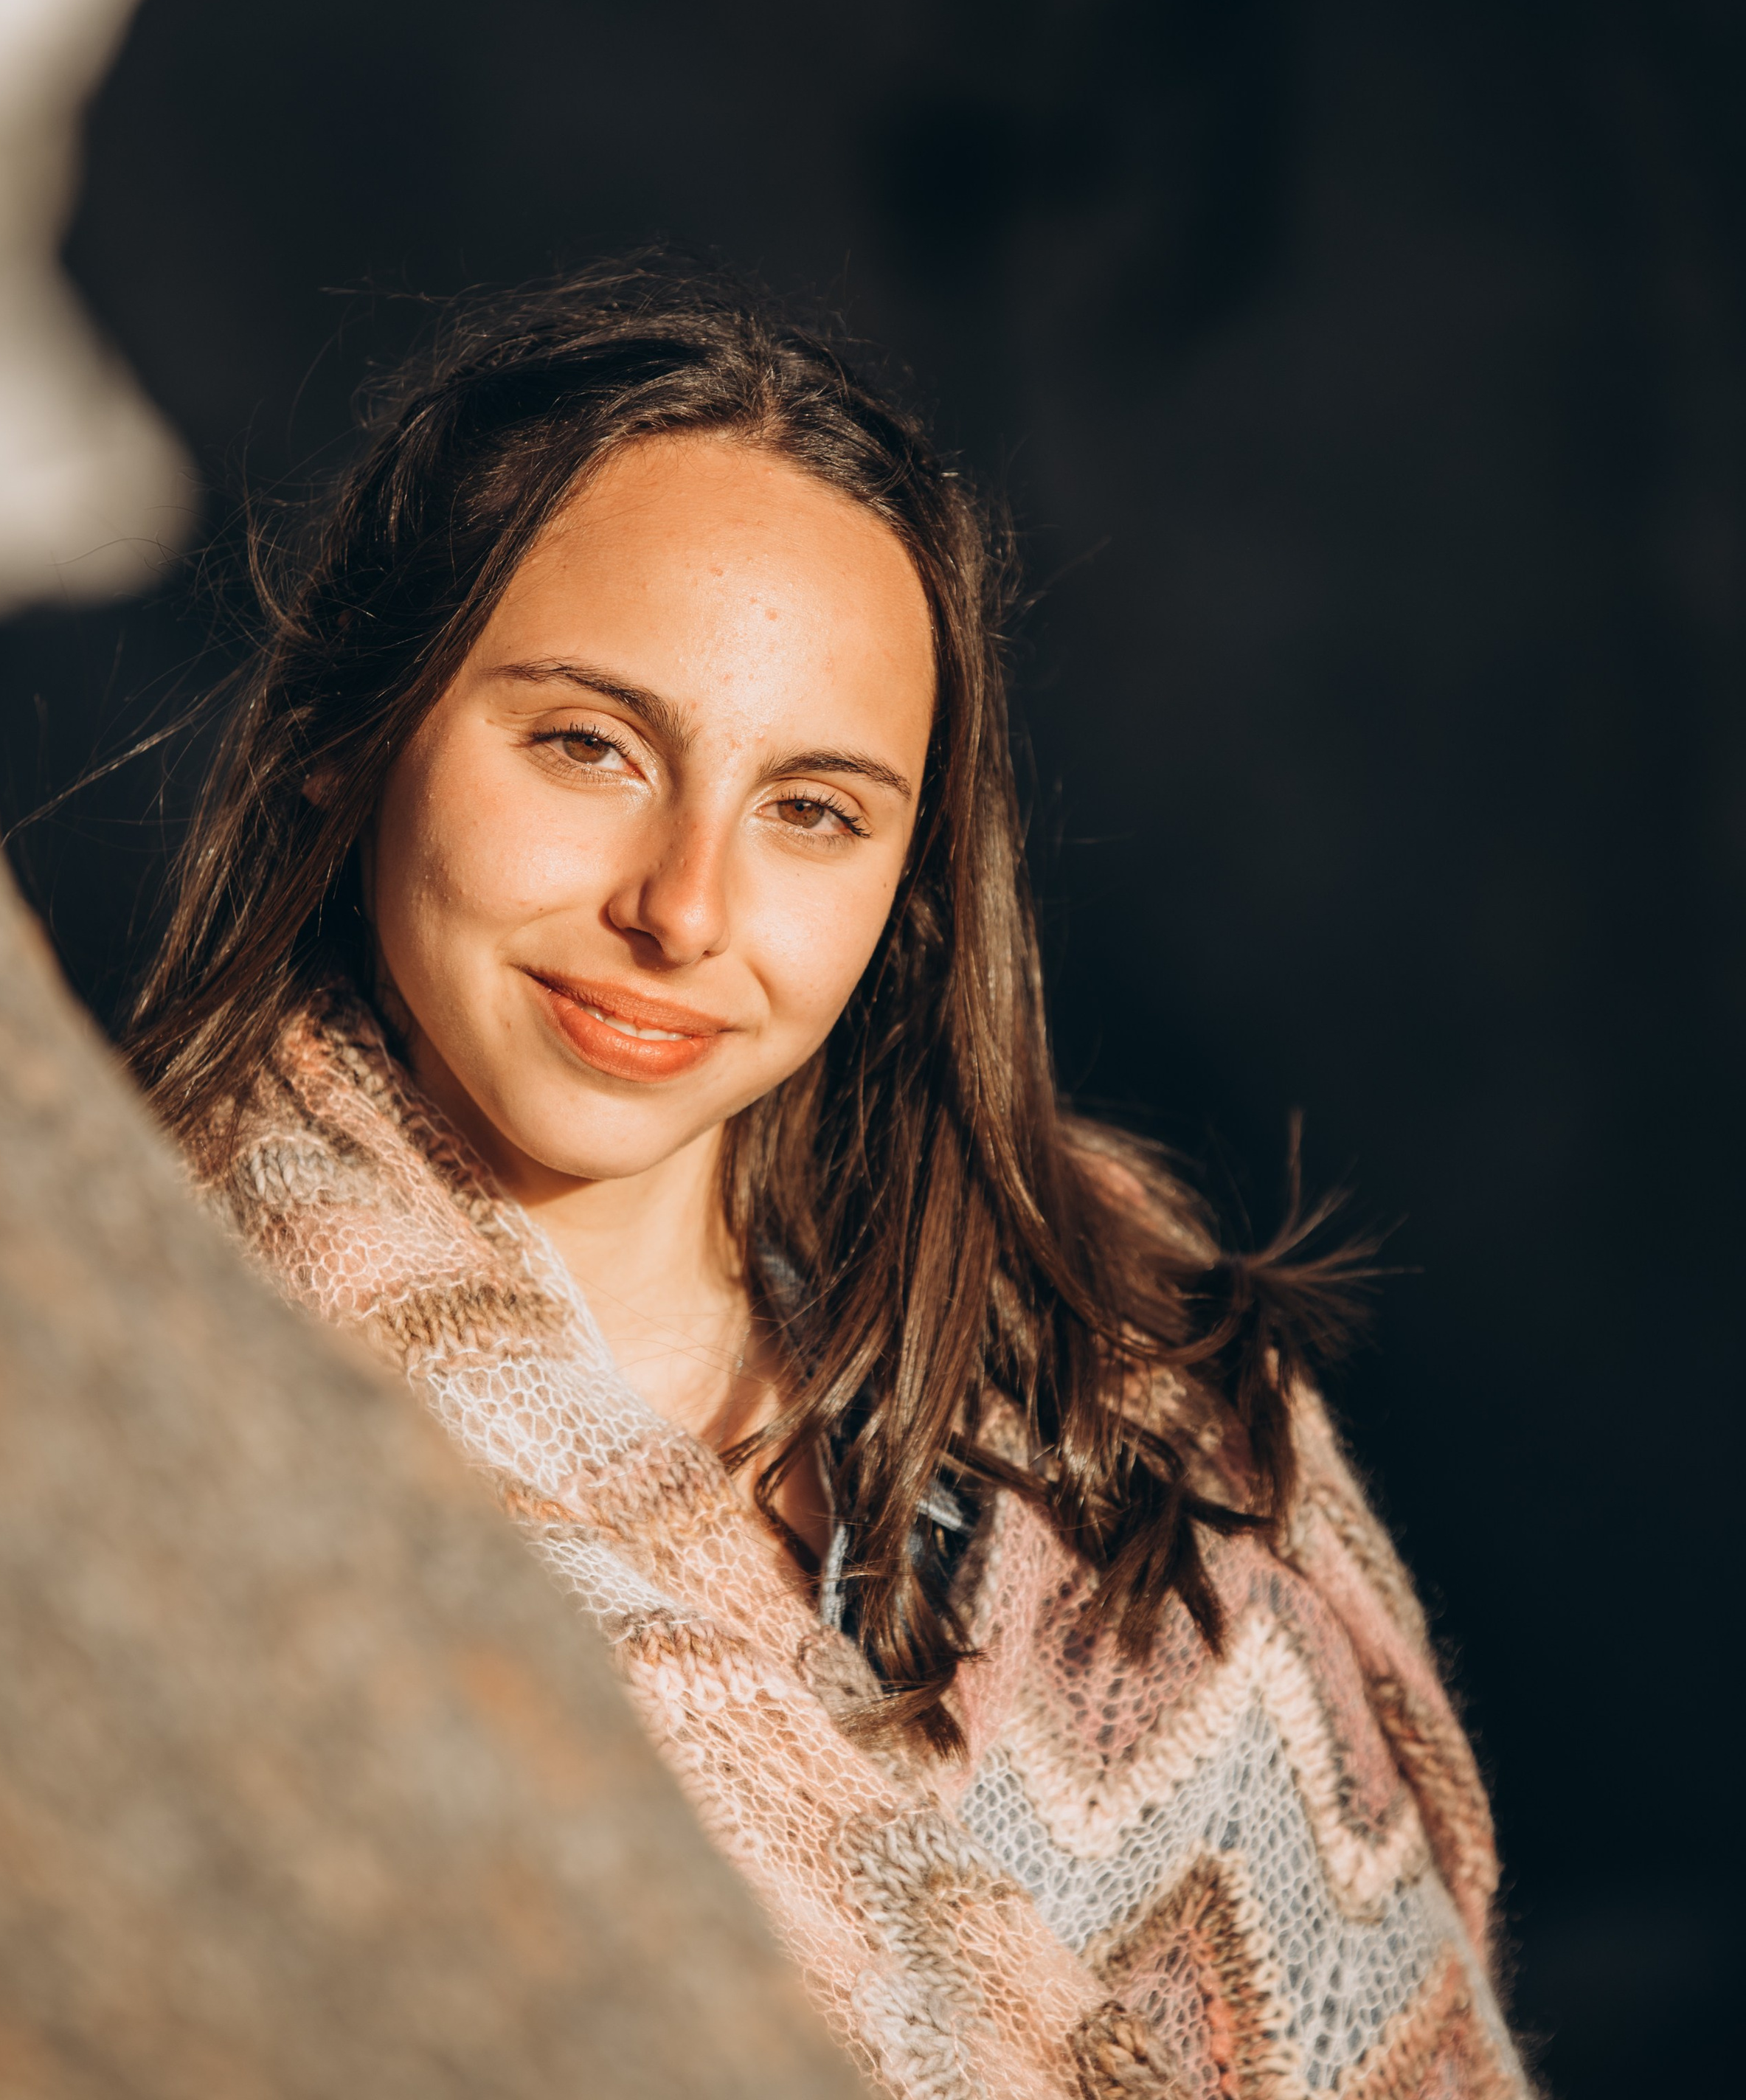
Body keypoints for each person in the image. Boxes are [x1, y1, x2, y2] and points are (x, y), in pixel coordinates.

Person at [129, 260, 1528, 2100]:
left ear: (909, 883)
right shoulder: (146, 1396)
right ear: (350, 742)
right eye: (586, 745)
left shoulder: (1123, 1375)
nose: (681, 911)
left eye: (811, 808)